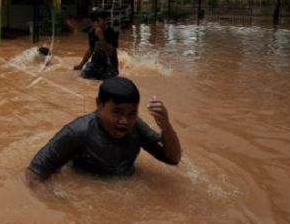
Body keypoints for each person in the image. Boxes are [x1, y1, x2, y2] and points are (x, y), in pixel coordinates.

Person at [26, 76, 181, 184]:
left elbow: (173, 158)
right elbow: (35, 172)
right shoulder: (79, 132)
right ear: (99, 105)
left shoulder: (136, 126)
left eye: (131, 114)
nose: (124, 121)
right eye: (117, 112)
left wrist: (166, 126)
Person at [73, 7, 119, 80]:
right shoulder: (92, 32)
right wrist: (81, 65)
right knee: (81, 79)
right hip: (96, 63)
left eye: (98, 20)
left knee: (110, 82)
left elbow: (109, 53)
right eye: (93, 21)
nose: (95, 23)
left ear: (105, 20)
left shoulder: (112, 32)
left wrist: (101, 37)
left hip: (110, 65)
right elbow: (90, 50)